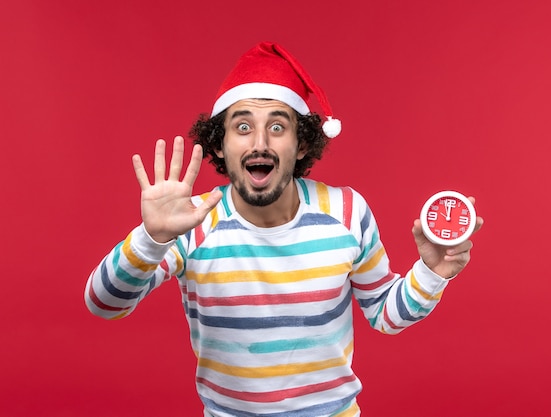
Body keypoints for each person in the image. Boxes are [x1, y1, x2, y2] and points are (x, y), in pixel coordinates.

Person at [85, 41, 483, 417]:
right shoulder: (191, 220)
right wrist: (152, 237)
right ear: (219, 145)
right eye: (242, 127)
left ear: (303, 143)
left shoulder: (346, 210)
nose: (260, 143)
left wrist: (432, 272)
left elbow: (385, 315)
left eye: (277, 127)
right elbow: (104, 304)